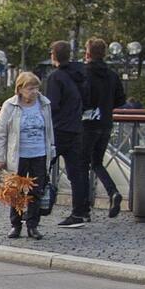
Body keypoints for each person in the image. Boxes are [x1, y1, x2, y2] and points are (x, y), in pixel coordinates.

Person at [0, 72, 54, 241]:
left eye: (36, 88)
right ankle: (16, 224)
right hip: (17, 155)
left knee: (36, 191)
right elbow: (1, 133)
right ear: (20, 89)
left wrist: (52, 151)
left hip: (39, 153)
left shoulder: (44, 104)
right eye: (30, 88)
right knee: (15, 191)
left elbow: (49, 131)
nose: (34, 91)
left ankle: (33, 226)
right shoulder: (10, 106)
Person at [47, 40, 91, 229]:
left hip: (58, 129)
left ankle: (34, 208)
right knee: (77, 173)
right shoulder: (80, 74)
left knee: (42, 167)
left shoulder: (55, 77)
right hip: (76, 127)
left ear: (54, 55)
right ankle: (81, 211)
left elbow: (52, 105)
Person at [83, 37, 126, 219]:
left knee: (81, 165)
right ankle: (112, 192)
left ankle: (82, 206)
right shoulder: (112, 74)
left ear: (87, 53)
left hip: (87, 123)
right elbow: (121, 99)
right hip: (106, 123)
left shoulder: (84, 73)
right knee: (97, 163)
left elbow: (80, 97)